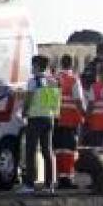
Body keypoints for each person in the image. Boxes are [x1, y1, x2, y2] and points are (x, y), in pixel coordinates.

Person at [20, 55, 60, 193]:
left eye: (33, 65)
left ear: (37, 65)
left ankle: (30, 184)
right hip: (49, 118)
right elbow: (55, 102)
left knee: (30, 151)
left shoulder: (33, 81)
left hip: (35, 118)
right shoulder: (53, 80)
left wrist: (24, 112)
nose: (31, 67)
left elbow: (29, 99)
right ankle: (49, 185)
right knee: (47, 151)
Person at [52, 54, 87, 189]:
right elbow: (78, 100)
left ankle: (60, 178)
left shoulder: (54, 79)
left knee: (59, 150)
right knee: (69, 150)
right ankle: (67, 178)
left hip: (56, 119)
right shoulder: (73, 80)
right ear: (72, 65)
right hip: (70, 120)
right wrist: (85, 115)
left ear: (61, 63)